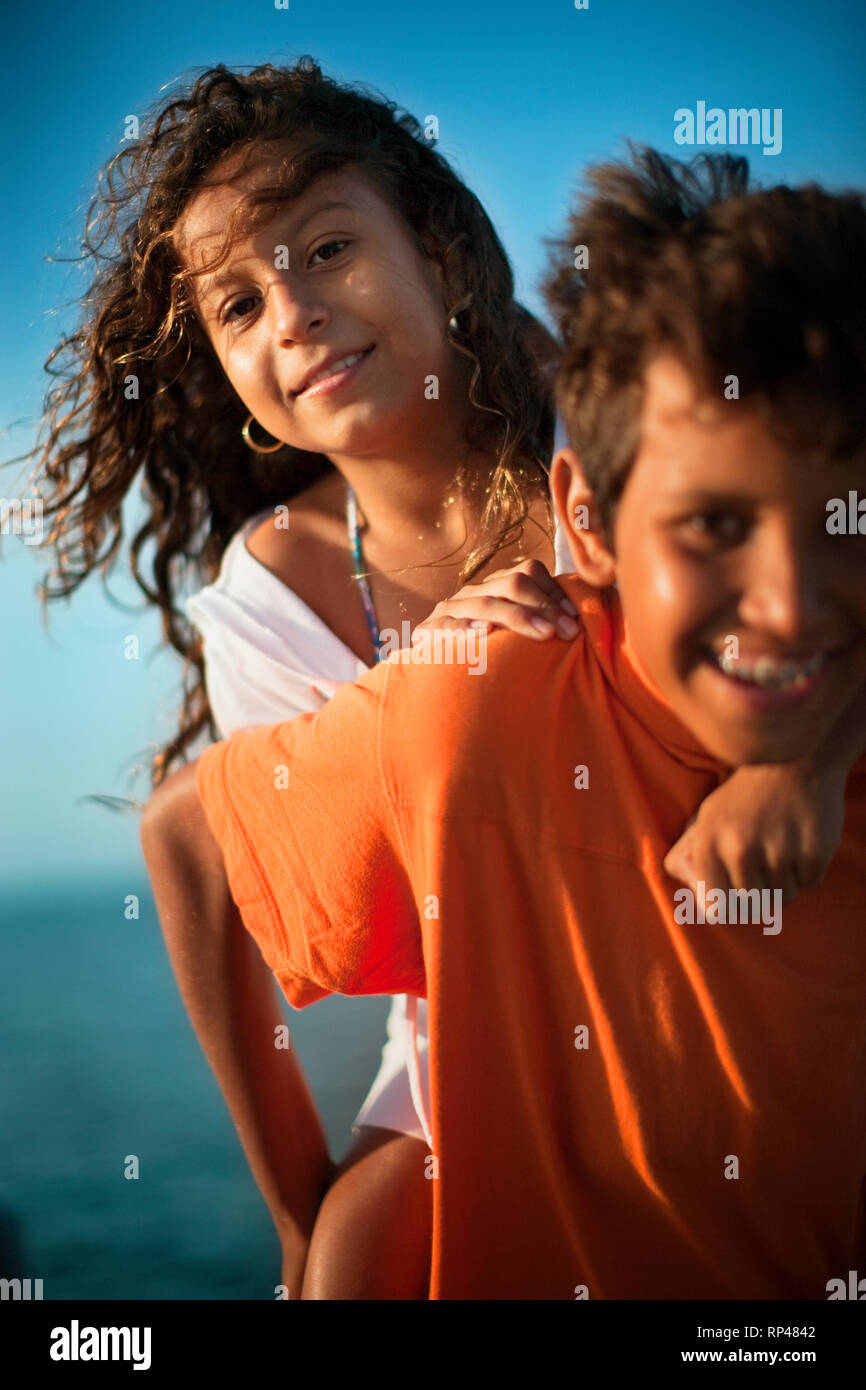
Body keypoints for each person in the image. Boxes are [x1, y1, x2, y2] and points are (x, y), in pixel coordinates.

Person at [22, 55, 856, 1297]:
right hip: (490, 1005)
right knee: (353, 1262)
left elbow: (816, 573)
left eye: (325, 248)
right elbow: (343, 890)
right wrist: (295, 1206)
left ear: (442, 257)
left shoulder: (610, 432)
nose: (291, 311)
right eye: (237, 305)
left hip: (752, 933)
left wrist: (807, 755)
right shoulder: (271, 594)